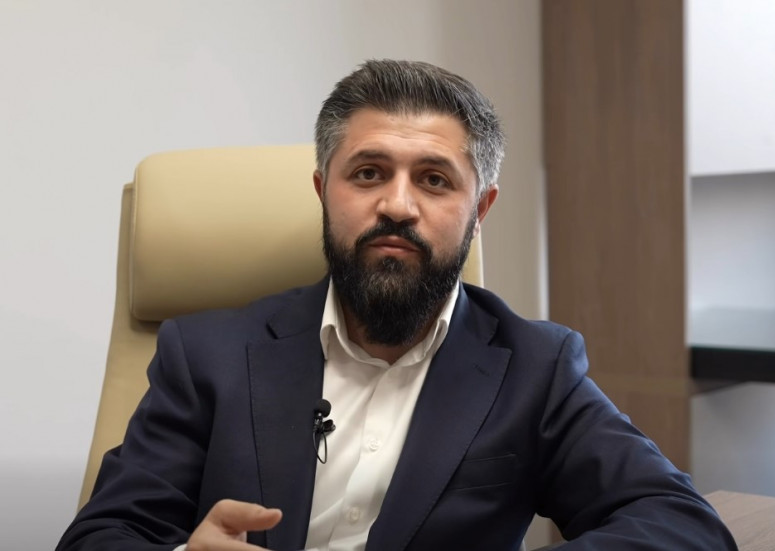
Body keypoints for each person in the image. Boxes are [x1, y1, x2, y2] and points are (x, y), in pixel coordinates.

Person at [57, 59, 736, 551]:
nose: (397, 204)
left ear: (480, 210)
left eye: (434, 180)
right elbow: (101, 535)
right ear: (324, 191)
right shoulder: (206, 353)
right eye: (368, 173)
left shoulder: (535, 366)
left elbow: (680, 523)